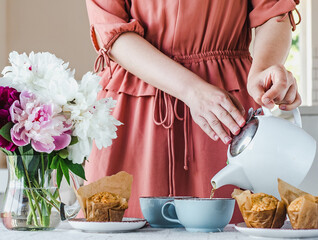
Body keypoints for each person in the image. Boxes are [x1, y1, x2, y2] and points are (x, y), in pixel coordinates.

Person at [85, 0, 301, 222]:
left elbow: (273, 11)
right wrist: (191, 90)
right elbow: (111, 30)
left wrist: (263, 70)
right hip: (137, 104)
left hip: (224, 106)